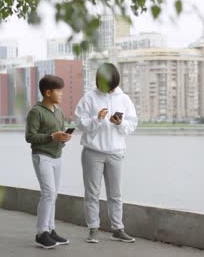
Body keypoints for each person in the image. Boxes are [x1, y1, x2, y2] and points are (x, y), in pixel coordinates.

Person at [75, 63, 137, 243]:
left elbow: (132, 124)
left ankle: (118, 228)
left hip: (116, 152)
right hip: (93, 152)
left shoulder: (124, 99)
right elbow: (80, 122)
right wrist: (98, 119)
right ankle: (93, 229)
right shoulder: (89, 97)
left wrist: (119, 123)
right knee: (92, 193)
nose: (109, 88)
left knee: (115, 194)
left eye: (112, 83)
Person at [25, 75, 72, 249]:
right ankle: (41, 233)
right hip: (41, 156)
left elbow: (58, 134)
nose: (61, 94)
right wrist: (52, 137)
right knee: (48, 193)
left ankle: (51, 230)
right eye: (59, 91)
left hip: (57, 156)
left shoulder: (59, 111)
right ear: (47, 92)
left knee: (54, 194)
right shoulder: (35, 111)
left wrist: (63, 137)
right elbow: (30, 137)